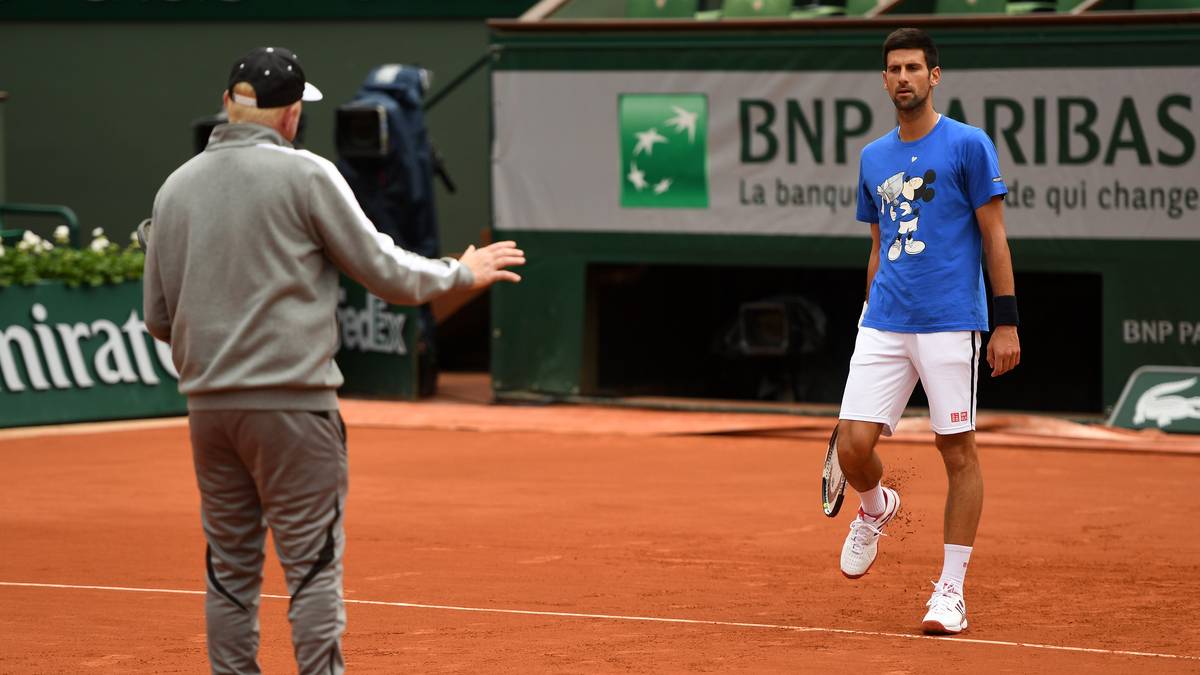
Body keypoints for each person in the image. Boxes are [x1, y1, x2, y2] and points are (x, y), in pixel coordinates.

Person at [142, 46, 524, 674]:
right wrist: (461, 273)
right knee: (312, 567)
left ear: (228, 104)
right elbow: (385, 270)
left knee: (230, 570)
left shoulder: (174, 187)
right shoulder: (308, 175)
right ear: (292, 115)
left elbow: (158, 318)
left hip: (209, 413)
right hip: (293, 408)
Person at [835, 27, 1020, 635]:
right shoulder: (872, 157)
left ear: (934, 76)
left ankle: (950, 590)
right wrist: (867, 312)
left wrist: (1006, 321)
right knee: (852, 446)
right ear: (884, 80)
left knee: (955, 450)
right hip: (884, 320)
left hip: (950, 321)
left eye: (914, 68)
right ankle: (875, 508)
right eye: (894, 69)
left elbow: (995, 237)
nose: (904, 78)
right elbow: (878, 244)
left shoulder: (969, 144)